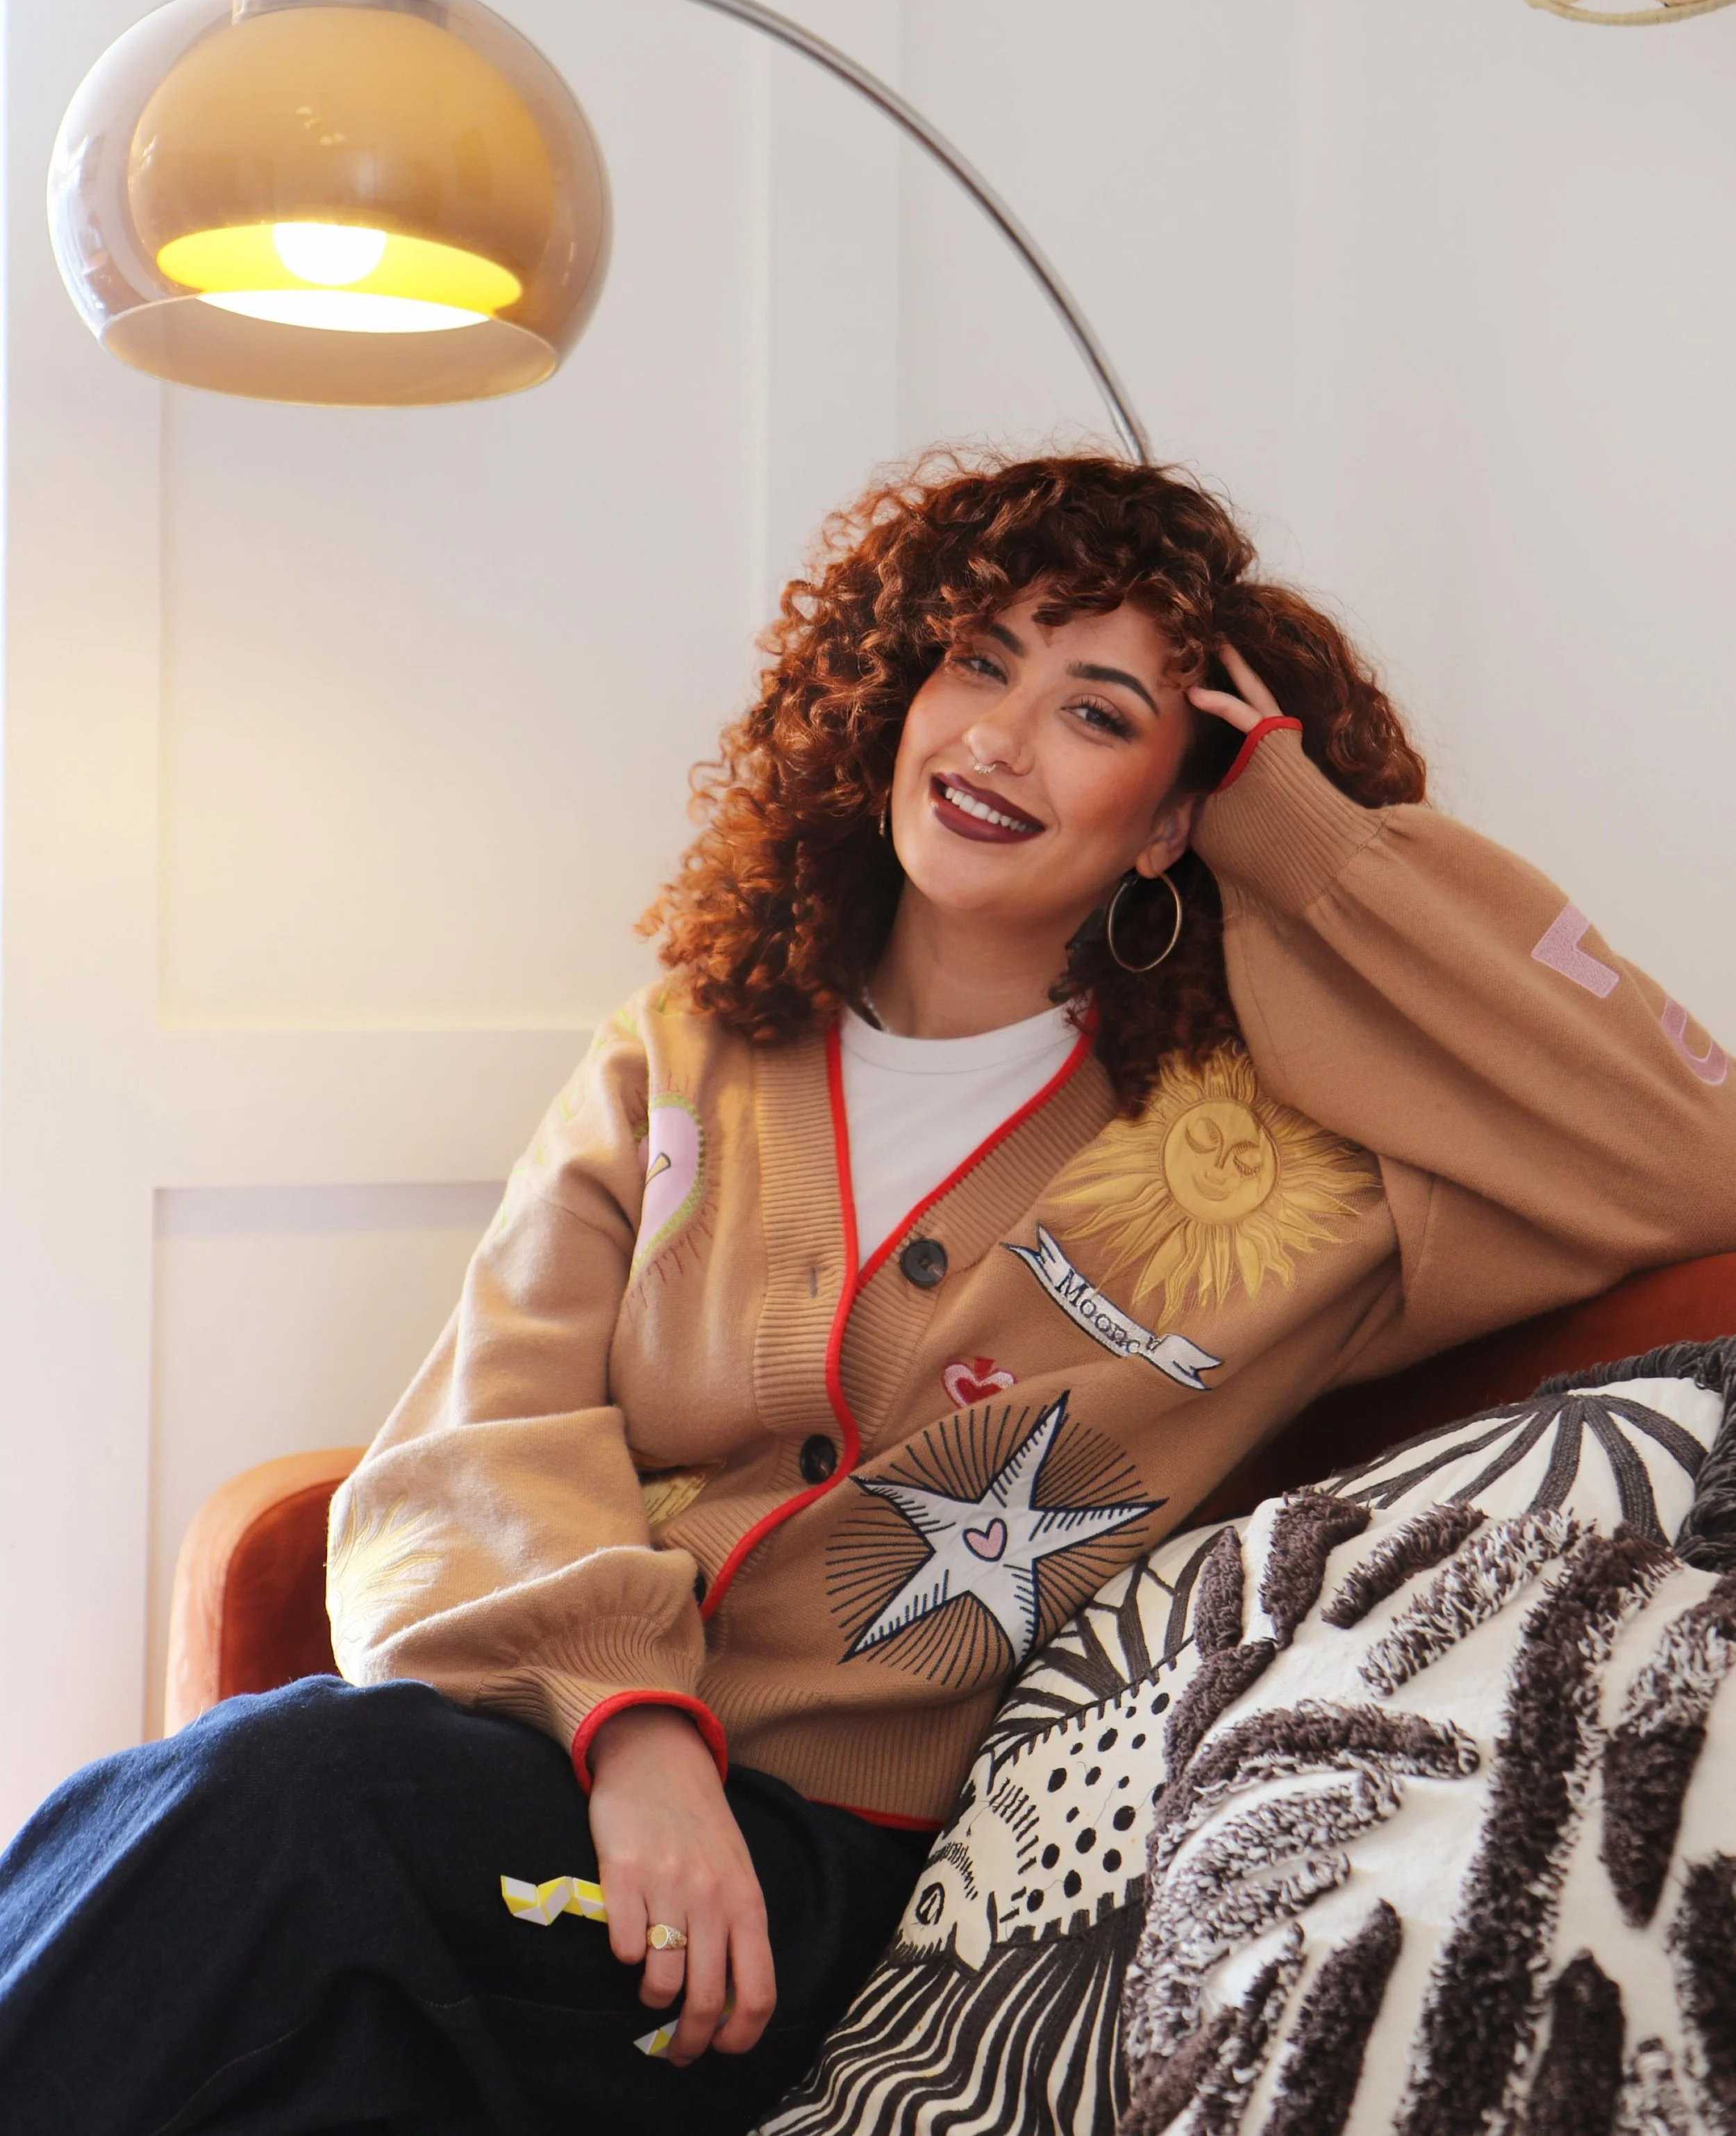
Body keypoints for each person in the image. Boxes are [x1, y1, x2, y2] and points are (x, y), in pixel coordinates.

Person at [2, 452, 1732, 2136]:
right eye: (975, 661)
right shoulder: (684, 1049)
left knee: (286, 1804)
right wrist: (633, 1732)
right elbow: (485, 1422)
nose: (995, 733)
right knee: (292, 1973)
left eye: (1097, 710)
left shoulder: (1295, 1179)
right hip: (554, 1782)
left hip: (832, 1896)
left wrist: (1287, 817)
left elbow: (1683, 1148)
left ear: (1173, 811)